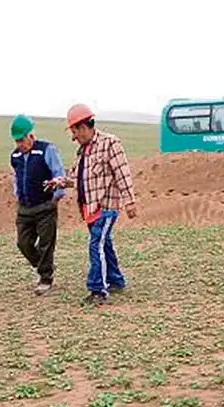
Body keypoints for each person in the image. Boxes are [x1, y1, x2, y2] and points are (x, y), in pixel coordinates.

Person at [46, 104, 138, 305]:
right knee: (104, 243)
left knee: (96, 244)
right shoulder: (83, 152)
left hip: (105, 206)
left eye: (74, 131)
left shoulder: (110, 144)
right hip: (89, 208)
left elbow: (122, 173)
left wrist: (129, 201)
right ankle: (116, 280)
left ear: (83, 126)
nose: (73, 137)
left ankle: (98, 289)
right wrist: (60, 182)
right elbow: (78, 179)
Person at [9, 114, 67, 295]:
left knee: (46, 244)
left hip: (45, 206)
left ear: (30, 135)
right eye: (16, 141)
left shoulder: (46, 150)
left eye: (21, 140)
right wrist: (17, 195)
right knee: (23, 243)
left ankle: (45, 278)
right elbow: (16, 178)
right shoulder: (15, 155)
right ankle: (41, 263)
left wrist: (55, 198)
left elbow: (58, 173)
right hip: (25, 207)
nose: (19, 144)